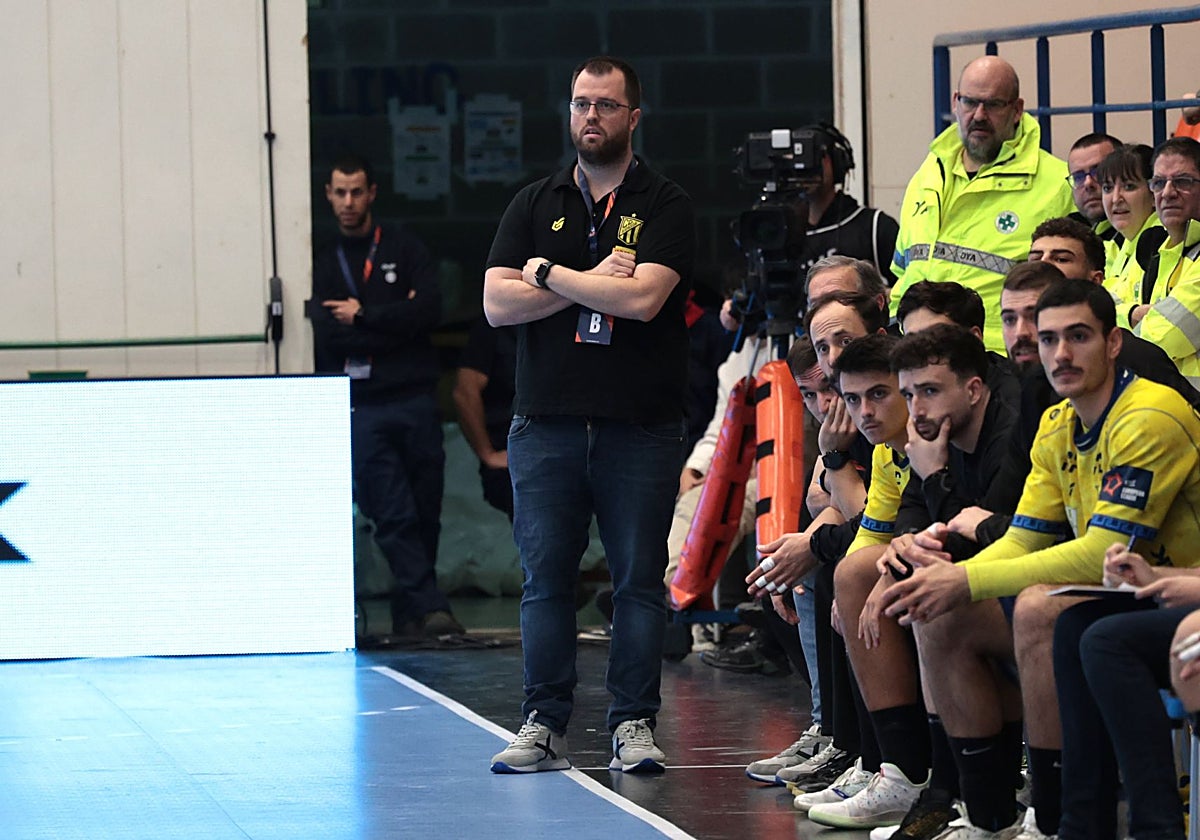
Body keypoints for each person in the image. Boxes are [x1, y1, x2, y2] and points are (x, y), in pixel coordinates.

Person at [881, 278, 1200, 840]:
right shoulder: (1057, 424)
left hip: (1177, 586)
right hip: (1123, 589)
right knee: (942, 614)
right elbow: (1025, 538)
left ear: (1114, 343)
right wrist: (950, 579)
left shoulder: (1149, 415)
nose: (1060, 353)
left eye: (1078, 336)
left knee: (1040, 610)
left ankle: (1052, 822)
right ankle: (989, 818)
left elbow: (1101, 551)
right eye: (1049, 339)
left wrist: (967, 580)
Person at [483, 56, 694, 775]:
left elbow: (642, 300)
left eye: (605, 104)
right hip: (546, 423)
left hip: (640, 425)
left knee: (637, 580)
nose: (590, 117)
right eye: (580, 104)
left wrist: (545, 274)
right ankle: (544, 724)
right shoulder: (534, 201)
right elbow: (495, 304)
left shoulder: (665, 203)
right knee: (545, 581)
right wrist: (588, 283)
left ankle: (633, 724)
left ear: (633, 116)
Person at [809, 323, 1020, 832]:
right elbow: (895, 523)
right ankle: (900, 772)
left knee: (930, 600)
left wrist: (929, 488)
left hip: (1018, 580)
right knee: (854, 574)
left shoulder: (1002, 435)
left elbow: (988, 536)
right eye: (853, 399)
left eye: (884, 395)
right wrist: (894, 556)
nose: (865, 412)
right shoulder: (904, 447)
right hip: (980, 568)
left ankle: (970, 795)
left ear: (972, 388)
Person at [310, 153, 461, 640]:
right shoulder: (323, 260)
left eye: (357, 191)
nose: (348, 202)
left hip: (415, 397)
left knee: (425, 508)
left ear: (371, 193)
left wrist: (364, 316)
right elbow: (329, 336)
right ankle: (430, 605)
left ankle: (411, 611)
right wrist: (398, 320)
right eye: (340, 192)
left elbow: (430, 311)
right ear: (328, 195)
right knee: (391, 510)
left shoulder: (403, 245)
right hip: (363, 403)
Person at [889, 55, 1075, 354]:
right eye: (970, 102)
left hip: (999, 358)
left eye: (993, 104)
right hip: (915, 353)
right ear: (955, 102)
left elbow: (1078, 286)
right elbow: (904, 270)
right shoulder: (928, 175)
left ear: (1017, 110)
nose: (978, 115)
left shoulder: (1058, 184)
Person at [1122, 136, 1200, 387]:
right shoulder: (1158, 251)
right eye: (1158, 183)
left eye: (1182, 182)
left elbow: (1158, 339)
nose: (1167, 193)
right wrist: (1132, 314)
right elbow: (1105, 303)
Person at [453, 316, 517, 520]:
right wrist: (488, 453)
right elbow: (465, 392)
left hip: (579, 450)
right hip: (516, 456)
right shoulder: (497, 322)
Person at [1096, 143, 1166, 299]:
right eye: (1107, 188)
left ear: (1154, 193)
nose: (1115, 198)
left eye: (1129, 187)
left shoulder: (1161, 241)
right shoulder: (1122, 243)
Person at [1064, 132, 1121, 234]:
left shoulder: (1148, 235)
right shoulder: (1065, 234)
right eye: (1078, 177)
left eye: (1098, 172)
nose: (1088, 183)